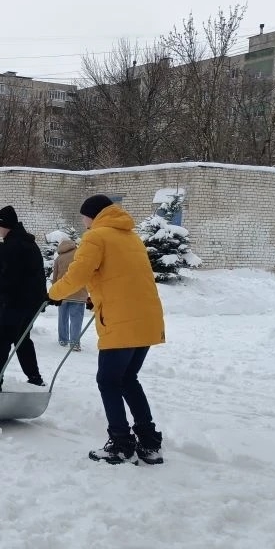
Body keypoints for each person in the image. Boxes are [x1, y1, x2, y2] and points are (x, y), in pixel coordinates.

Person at [49, 194, 166, 465]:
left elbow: (77, 276)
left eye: (84, 216)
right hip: (147, 319)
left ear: (93, 215)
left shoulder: (96, 236)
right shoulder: (131, 237)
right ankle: (149, 443)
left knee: (108, 381)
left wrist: (52, 294)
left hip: (121, 322)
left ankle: (121, 444)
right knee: (128, 379)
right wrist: (98, 297)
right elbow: (124, 278)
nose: (83, 222)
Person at [0, 206, 46, 391]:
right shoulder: (28, 243)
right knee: (22, 338)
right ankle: (34, 377)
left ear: (5, 225)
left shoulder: (13, 246)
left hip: (15, 303)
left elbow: (10, 279)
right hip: (31, 302)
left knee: (1, 341)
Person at [51, 238, 89, 351]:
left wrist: (54, 293)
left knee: (62, 317)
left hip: (62, 293)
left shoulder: (59, 258)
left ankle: (63, 339)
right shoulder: (79, 255)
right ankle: (75, 343)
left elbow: (55, 277)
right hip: (79, 293)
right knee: (76, 319)